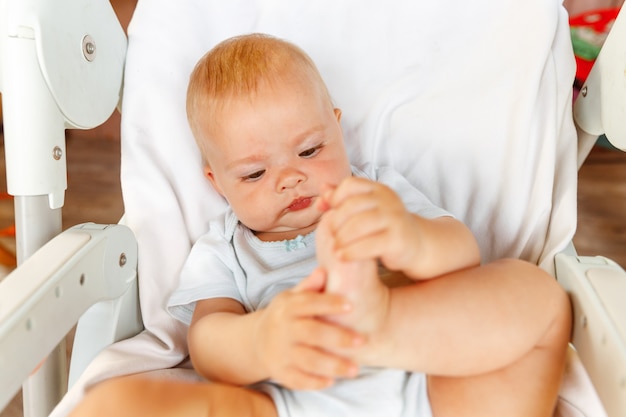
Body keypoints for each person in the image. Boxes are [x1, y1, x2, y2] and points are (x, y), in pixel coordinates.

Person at [70, 33, 571, 417]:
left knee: (538, 299)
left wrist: (410, 239)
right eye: (254, 173)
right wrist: (261, 340)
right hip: (293, 402)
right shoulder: (225, 247)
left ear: (338, 126)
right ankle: (364, 328)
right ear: (217, 182)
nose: (290, 177)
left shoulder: (373, 194)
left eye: (310, 150)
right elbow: (207, 344)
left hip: (433, 384)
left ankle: (377, 325)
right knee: (118, 403)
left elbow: (463, 254)